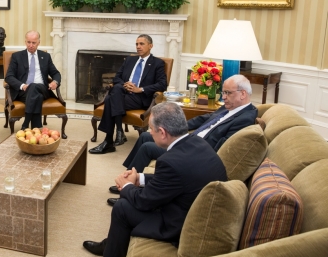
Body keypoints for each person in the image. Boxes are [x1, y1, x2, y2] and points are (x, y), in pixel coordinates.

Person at [83, 102, 228, 257]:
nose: (149, 133)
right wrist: (140, 178)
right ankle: (112, 244)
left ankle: (110, 254)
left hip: (182, 225)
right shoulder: (198, 142)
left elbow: (144, 201)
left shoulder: (169, 161)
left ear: (162, 132)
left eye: (151, 129)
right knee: (129, 196)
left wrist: (127, 186)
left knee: (122, 207)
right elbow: (177, 180)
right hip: (192, 208)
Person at [106, 74, 257, 205]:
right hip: (189, 140)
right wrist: (178, 126)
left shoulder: (246, 118)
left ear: (242, 94)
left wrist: (187, 141)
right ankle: (128, 179)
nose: (223, 97)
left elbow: (221, 146)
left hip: (194, 152)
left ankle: (128, 190)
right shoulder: (228, 107)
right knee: (146, 135)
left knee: (147, 147)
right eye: (223, 92)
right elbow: (203, 119)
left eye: (227, 93)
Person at [89, 34, 167, 154]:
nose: (138, 47)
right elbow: (117, 78)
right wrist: (126, 84)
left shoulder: (157, 63)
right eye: (137, 44)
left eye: (142, 44)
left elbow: (162, 85)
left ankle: (111, 139)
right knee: (116, 90)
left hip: (139, 97)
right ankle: (115, 135)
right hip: (123, 93)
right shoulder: (130, 59)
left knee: (110, 99)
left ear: (150, 46)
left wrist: (139, 89)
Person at [5, 30, 61, 130]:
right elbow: (9, 76)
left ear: (38, 43)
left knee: (34, 86)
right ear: (25, 42)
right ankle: (37, 126)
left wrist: (55, 82)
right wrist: (22, 85)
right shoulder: (16, 56)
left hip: (43, 89)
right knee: (37, 96)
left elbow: (56, 73)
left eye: (33, 43)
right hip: (23, 91)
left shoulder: (46, 57)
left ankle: (26, 123)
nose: (31, 45)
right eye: (28, 42)